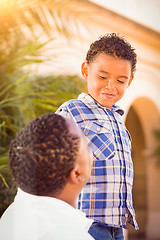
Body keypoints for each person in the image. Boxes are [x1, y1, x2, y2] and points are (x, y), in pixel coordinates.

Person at [56, 33, 139, 239]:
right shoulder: (72, 111)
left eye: (121, 80)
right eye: (102, 77)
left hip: (117, 227)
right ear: (86, 70)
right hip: (87, 225)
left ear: (130, 80)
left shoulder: (119, 120)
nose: (111, 86)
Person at [0, 113, 94, 240]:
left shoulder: (11, 216)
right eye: (87, 148)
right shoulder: (73, 235)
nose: (92, 154)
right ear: (76, 174)